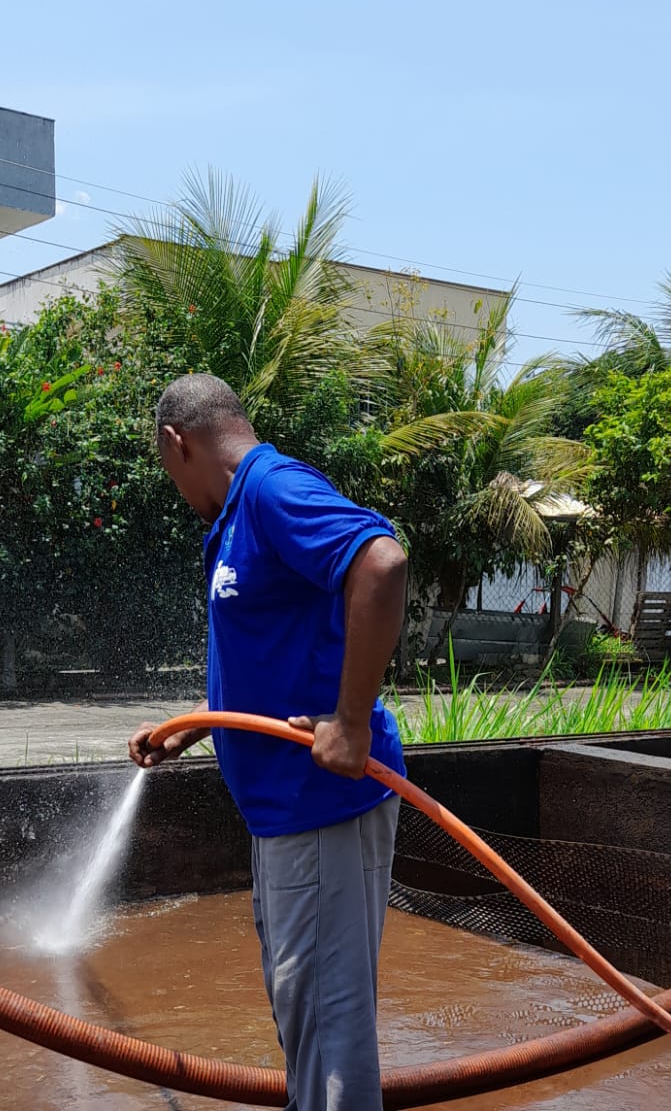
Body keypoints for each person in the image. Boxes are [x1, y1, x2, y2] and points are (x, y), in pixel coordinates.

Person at [128, 373, 408, 1111]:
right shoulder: (238, 514)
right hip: (285, 811)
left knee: (327, 1026)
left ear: (176, 443)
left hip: (319, 804)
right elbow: (273, 656)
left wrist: (350, 723)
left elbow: (382, 563)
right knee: (303, 1008)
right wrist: (195, 724)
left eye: (167, 468)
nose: (175, 488)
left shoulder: (272, 491)